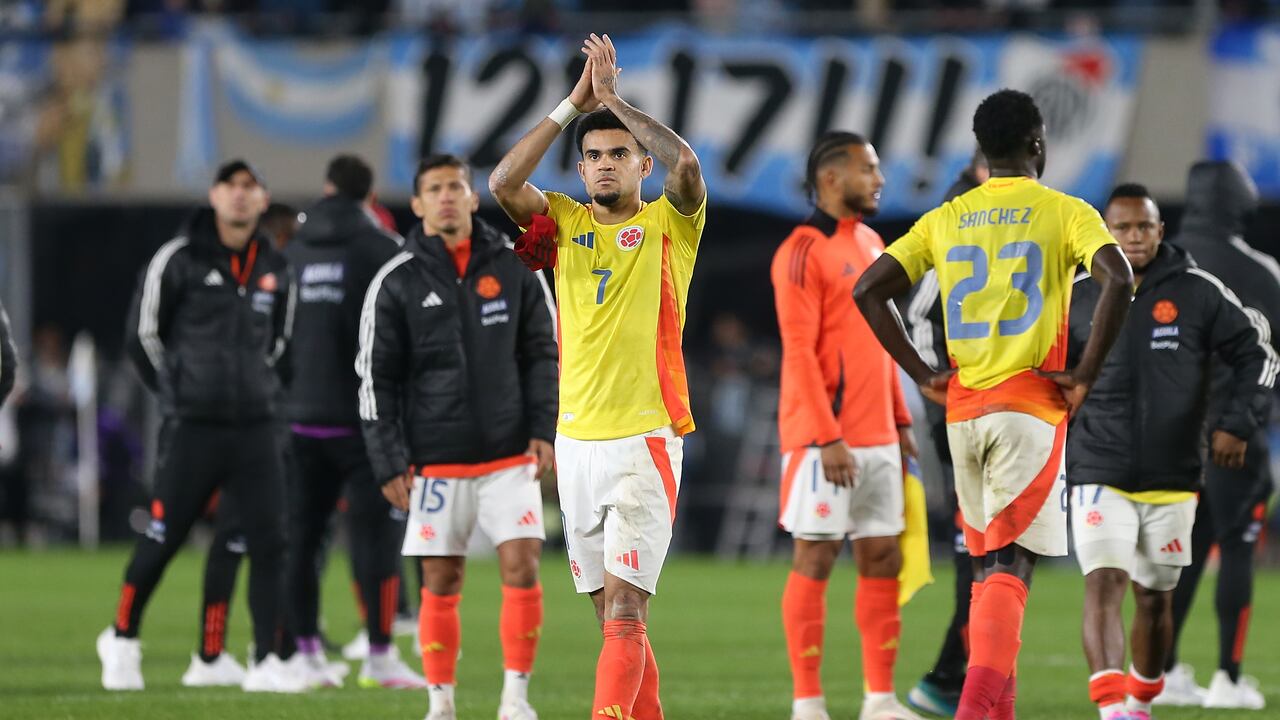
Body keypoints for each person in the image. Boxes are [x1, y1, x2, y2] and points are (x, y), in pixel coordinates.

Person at [853, 89, 1134, 720]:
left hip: (963, 412)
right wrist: (1085, 373)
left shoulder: (947, 217)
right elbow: (1118, 278)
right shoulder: (1065, 211)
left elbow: (870, 289)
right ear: (1038, 145)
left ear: (982, 150)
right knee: (1011, 568)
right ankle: (974, 712)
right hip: (1028, 409)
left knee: (985, 571)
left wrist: (924, 374)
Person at [489, 32, 706, 720]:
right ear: (580, 170)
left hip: (646, 438)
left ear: (641, 164)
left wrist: (615, 102)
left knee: (623, 607)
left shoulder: (673, 224)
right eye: (593, 156)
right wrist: (572, 103)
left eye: (618, 154)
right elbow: (501, 183)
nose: (604, 164)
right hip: (577, 442)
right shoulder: (563, 221)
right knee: (613, 618)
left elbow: (690, 163)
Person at [359, 154, 558, 720]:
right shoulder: (395, 282)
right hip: (435, 462)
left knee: (522, 565)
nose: (447, 196)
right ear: (418, 204)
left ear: (473, 198)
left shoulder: (516, 267)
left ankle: (515, 700)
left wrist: (543, 429)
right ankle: (440, 702)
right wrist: (388, 460)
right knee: (440, 579)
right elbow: (376, 381)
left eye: (456, 187)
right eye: (434, 189)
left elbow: (543, 352)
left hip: (508, 455)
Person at [1068, 183, 1274, 720]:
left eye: (1144, 227)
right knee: (1104, 582)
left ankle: (1140, 699)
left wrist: (1237, 422)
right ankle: (1113, 708)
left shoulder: (1199, 291)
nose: (1134, 237)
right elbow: (1041, 368)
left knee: (1155, 598)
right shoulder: (1076, 293)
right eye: (1123, 227)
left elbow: (1260, 354)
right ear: (1104, 233)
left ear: (1161, 230)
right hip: (1097, 464)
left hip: (1175, 474)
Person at [100, 159, 303, 693]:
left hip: (255, 426)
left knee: (270, 542)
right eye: (230, 186)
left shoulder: (276, 266)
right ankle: (121, 637)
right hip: (194, 425)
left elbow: (281, 343)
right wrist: (178, 395)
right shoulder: (178, 258)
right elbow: (141, 337)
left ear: (263, 200)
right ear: (214, 196)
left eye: (250, 187)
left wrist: (258, 387)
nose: (240, 196)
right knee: (164, 537)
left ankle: (265, 662)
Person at [770, 130, 923, 720]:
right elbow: (799, 350)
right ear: (833, 179)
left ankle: (879, 700)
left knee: (883, 555)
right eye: (870, 169)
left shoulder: (870, 241)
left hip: (879, 433)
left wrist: (902, 418)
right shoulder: (801, 249)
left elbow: (880, 342)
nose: (880, 179)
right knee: (816, 557)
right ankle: (808, 702)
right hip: (821, 440)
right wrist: (826, 435)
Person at [283, 153, 423, 689]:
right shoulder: (384, 251)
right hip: (367, 423)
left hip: (300, 422)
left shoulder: (291, 251)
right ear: (370, 196)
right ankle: (381, 655)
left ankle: (305, 654)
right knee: (376, 544)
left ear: (325, 187)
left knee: (302, 540)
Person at [1157, 160, 1280, 710]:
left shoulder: (1161, 264)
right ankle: (1228, 678)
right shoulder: (1260, 271)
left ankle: (1162, 671)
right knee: (1236, 547)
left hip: (1170, 437)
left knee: (1178, 552)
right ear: (1238, 201)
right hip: (1237, 436)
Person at [905, 150, 989, 718]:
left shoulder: (1013, 214)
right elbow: (918, 311)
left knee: (994, 552)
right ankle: (953, 678)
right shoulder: (958, 215)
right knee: (985, 553)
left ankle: (961, 677)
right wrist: (938, 390)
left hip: (1010, 410)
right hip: (966, 411)